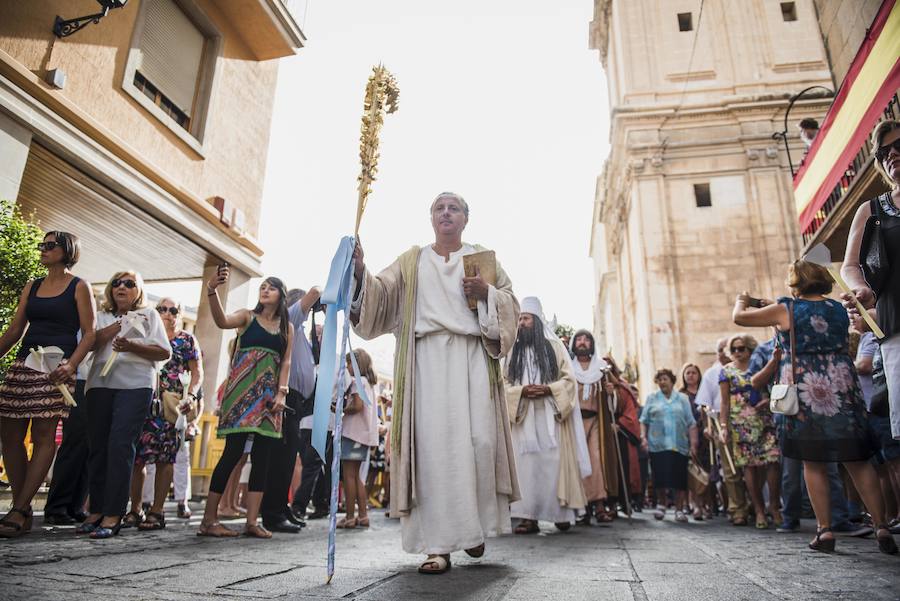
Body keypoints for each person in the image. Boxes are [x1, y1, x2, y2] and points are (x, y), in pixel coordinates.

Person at [351, 191, 520, 575]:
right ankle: (437, 547)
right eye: (439, 208)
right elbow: (380, 293)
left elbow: (512, 304)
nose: (446, 213)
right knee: (433, 453)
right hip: (425, 362)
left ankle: (472, 529)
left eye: (454, 208)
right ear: (431, 219)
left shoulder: (482, 258)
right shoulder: (413, 261)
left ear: (465, 219)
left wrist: (487, 293)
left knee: (480, 442)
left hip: (472, 359)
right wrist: (361, 269)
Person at [733, 260, 898, 554]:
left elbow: (740, 318)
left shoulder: (786, 309)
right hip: (843, 388)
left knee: (813, 463)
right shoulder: (836, 309)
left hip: (807, 392)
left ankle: (825, 531)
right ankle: (881, 525)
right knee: (858, 460)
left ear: (795, 283)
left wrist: (742, 300)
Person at [0, 232, 96, 537]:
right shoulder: (33, 286)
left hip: (57, 368)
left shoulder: (80, 286)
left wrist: (71, 365)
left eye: (49, 245)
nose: (43, 249)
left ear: (67, 250)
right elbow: (15, 329)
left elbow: (90, 332)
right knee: (10, 434)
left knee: (43, 435)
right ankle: (23, 505)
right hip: (25, 364)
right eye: (41, 244)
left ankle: (18, 510)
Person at [198, 272, 294, 539]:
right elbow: (221, 320)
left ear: (281, 295)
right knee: (232, 454)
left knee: (262, 458)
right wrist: (211, 291)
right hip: (240, 393)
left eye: (272, 288)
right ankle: (208, 520)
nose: (265, 290)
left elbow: (286, 362)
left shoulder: (287, 327)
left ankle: (252, 521)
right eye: (263, 287)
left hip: (268, 398)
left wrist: (282, 393)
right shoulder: (246, 317)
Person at [78, 271, 171, 539]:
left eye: (129, 284)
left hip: (135, 385)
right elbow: (88, 343)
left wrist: (132, 345)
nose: (122, 287)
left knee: (120, 444)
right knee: (97, 447)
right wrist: (116, 328)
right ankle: (95, 509)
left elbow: (164, 352)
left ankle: (114, 513)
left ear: (138, 291)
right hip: (99, 385)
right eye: (117, 283)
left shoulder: (149, 315)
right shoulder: (100, 314)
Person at [504, 297, 586, 534]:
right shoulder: (512, 351)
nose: (521, 323)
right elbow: (503, 382)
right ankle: (528, 517)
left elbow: (569, 379)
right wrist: (521, 392)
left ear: (537, 321)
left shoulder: (556, 346)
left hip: (551, 416)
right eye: (519, 318)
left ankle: (561, 514)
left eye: (526, 318)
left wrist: (550, 389)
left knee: (554, 464)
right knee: (526, 468)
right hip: (523, 417)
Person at [841, 119, 900, 441]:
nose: (892, 154)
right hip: (896, 327)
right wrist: (860, 288)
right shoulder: (872, 209)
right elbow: (850, 265)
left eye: (899, 146)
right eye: (884, 152)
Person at [127, 298, 202, 530]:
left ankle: (157, 511)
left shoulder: (187, 339)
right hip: (143, 400)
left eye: (173, 310)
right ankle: (135, 509)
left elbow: (197, 373)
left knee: (166, 457)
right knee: (137, 457)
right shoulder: (145, 335)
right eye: (161, 308)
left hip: (171, 406)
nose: (167, 313)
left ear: (179, 314)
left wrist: (190, 396)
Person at [261, 287, 320, 533]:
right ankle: (273, 513)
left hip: (297, 402)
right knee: (281, 457)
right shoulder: (291, 317)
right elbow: (316, 291)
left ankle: (281, 508)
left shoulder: (299, 331)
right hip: (289, 397)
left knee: (287, 458)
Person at [718, 333, 781, 529]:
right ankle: (759, 509)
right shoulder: (726, 371)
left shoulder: (760, 364)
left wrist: (769, 400)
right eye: (734, 348)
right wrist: (723, 427)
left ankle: (774, 505)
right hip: (740, 422)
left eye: (741, 348)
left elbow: (773, 386)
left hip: (764, 417)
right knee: (749, 466)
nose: (737, 352)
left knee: (773, 460)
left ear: (750, 349)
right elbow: (724, 402)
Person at [695, 337, 748, 522]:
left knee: (750, 467)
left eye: (738, 348)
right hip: (720, 421)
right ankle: (737, 507)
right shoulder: (711, 373)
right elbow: (705, 404)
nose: (733, 353)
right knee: (730, 469)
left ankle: (755, 504)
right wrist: (708, 426)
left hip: (747, 419)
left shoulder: (748, 368)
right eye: (728, 349)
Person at [640, 369, 698, 522]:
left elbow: (691, 423)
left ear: (672, 381)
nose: (662, 382)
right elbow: (644, 420)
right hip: (657, 444)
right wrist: (643, 438)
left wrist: (693, 444)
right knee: (659, 477)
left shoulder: (682, 399)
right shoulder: (652, 398)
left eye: (665, 379)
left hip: (679, 444)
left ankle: (679, 509)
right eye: (659, 380)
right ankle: (661, 505)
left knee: (679, 478)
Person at [291, 319, 332, 522]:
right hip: (304, 420)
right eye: (315, 332)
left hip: (322, 422)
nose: (317, 336)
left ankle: (299, 505)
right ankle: (321, 503)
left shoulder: (332, 360)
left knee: (312, 465)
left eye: (321, 332)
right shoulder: (306, 357)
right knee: (313, 463)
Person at [570, 329, 611, 524]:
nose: (582, 342)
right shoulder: (568, 368)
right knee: (577, 462)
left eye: (586, 339)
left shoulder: (602, 368)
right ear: (573, 343)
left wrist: (610, 393)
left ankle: (599, 504)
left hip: (596, 421)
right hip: (574, 421)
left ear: (592, 343)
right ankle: (581, 508)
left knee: (595, 460)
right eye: (579, 338)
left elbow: (613, 404)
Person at [337, 349, 379, 529]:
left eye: (348, 364)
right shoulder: (368, 383)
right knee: (357, 477)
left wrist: (340, 409)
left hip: (352, 432)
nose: (347, 367)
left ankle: (349, 516)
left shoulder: (356, 382)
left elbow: (357, 406)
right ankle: (362, 515)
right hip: (364, 435)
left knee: (349, 476)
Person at [680, 363, 711, 520]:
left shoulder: (704, 393)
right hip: (688, 435)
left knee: (705, 469)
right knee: (692, 469)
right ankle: (694, 504)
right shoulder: (681, 394)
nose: (691, 375)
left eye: (694, 372)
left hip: (705, 435)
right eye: (688, 373)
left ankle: (706, 503)